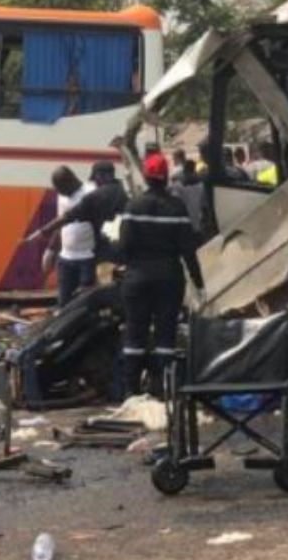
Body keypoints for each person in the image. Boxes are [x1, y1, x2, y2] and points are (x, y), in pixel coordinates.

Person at [119, 153, 205, 398]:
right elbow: (188, 249)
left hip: (137, 278)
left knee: (135, 331)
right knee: (165, 334)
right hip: (169, 278)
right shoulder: (176, 207)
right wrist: (199, 283)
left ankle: (131, 391)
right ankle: (163, 388)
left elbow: (124, 246)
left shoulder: (133, 206)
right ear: (166, 177)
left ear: (146, 178)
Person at [26, 161, 128, 261]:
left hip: (105, 251)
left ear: (101, 176)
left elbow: (69, 216)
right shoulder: (120, 190)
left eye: (96, 179)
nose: (95, 183)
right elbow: (67, 218)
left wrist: (43, 232)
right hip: (116, 249)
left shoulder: (95, 194)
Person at [45, 165, 96, 307]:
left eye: (62, 188)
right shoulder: (62, 195)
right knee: (63, 303)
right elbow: (59, 222)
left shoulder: (90, 192)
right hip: (66, 258)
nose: (61, 193)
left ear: (71, 181)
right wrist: (50, 249)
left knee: (85, 304)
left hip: (87, 257)